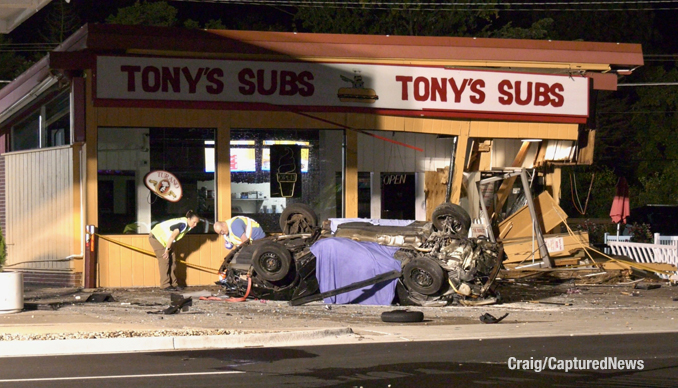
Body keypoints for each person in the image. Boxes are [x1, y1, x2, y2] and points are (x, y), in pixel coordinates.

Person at [148, 210, 201, 291]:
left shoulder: (187, 224)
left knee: (173, 260)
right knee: (164, 260)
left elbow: (172, 239)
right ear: (189, 219)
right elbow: (172, 237)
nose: (195, 225)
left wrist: (168, 249)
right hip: (157, 238)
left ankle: (174, 284)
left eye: (197, 223)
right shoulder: (182, 224)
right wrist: (166, 251)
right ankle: (165, 285)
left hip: (166, 241)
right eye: (194, 222)